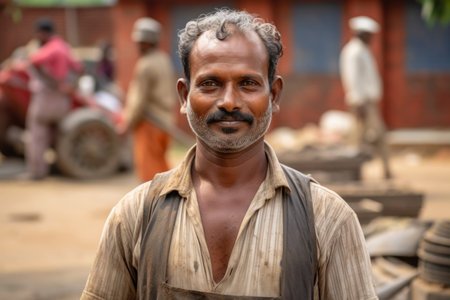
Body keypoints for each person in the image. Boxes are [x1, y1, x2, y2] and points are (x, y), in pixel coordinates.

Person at [82, 9, 378, 299]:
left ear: (273, 95)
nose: (228, 102)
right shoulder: (134, 216)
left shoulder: (327, 219)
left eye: (248, 84)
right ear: (184, 96)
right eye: (210, 84)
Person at [120, 17, 176, 182]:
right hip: (165, 122)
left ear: (147, 42)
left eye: (140, 41)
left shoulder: (145, 65)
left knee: (149, 174)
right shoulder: (164, 60)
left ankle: (154, 206)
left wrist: (127, 123)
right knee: (160, 165)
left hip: (150, 124)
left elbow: (139, 100)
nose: (137, 45)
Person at [25, 17, 82, 179]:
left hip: (45, 99)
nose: (37, 37)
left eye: (38, 33)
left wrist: (53, 83)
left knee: (37, 137)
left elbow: (33, 62)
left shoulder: (49, 48)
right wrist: (70, 87)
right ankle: (60, 167)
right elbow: (79, 68)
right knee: (59, 136)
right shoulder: (64, 48)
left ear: (44, 33)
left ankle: (37, 172)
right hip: (62, 101)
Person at [340, 16, 391, 179]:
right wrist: (358, 102)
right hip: (362, 103)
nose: (372, 38)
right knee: (362, 139)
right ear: (361, 34)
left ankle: (381, 170)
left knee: (363, 139)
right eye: (369, 34)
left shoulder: (362, 51)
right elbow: (352, 78)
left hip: (367, 102)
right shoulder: (354, 52)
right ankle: (356, 173)